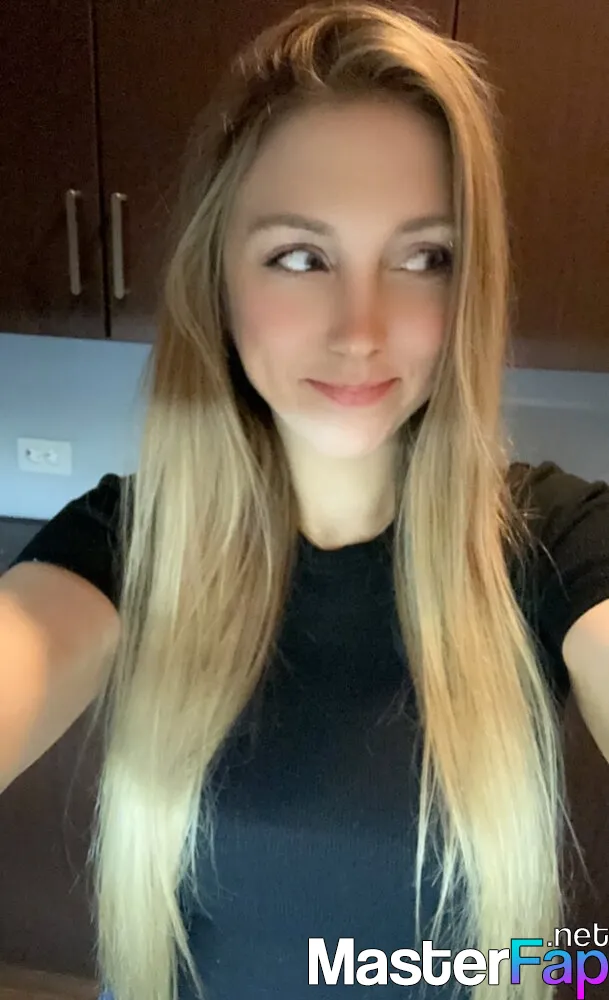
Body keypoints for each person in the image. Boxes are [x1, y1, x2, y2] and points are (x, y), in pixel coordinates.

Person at [1, 1, 609, 999]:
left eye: (423, 257)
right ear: (218, 278)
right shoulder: (130, 543)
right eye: (300, 256)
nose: (360, 330)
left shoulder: (558, 542)